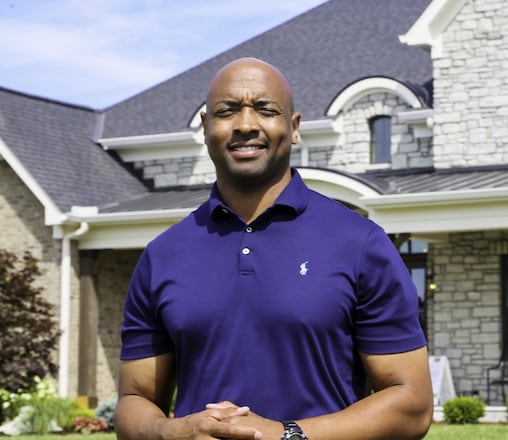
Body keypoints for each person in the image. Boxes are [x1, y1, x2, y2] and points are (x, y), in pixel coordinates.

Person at [115, 57, 433, 440]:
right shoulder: (163, 256)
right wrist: (173, 432)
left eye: (266, 110)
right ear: (205, 128)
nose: (246, 125)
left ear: (294, 128)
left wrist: (286, 435)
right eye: (226, 111)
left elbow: (412, 404)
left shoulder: (359, 243)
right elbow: (135, 400)